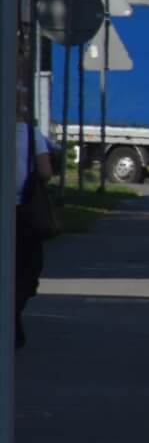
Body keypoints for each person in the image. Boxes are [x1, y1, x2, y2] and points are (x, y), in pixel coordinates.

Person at [15, 113, 54, 349]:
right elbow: (45, 172)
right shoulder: (30, 134)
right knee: (27, 271)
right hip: (24, 215)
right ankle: (13, 312)